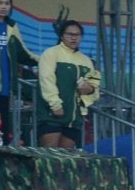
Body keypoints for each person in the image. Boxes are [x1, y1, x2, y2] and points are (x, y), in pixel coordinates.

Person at [35, 19, 102, 149]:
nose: (73, 38)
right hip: (52, 115)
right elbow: (46, 80)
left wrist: (89, 89)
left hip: (74, 118)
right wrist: (55, 105)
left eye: (77, 35)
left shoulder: (86, 60)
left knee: (66, 160)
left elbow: (94, 87)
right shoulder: (51, 53)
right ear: (61, 36)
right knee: (49, 157)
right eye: (69, 34)